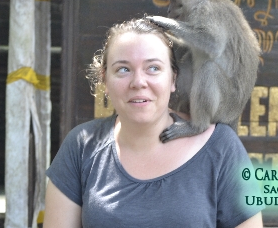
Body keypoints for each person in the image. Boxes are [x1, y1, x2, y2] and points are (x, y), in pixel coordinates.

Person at [44, 18, 264, 227]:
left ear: (173, 79)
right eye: (123, 69)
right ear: (105, 80)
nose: (138, 82)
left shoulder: (221, 147)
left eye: (153, 68)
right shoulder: (81, 147)